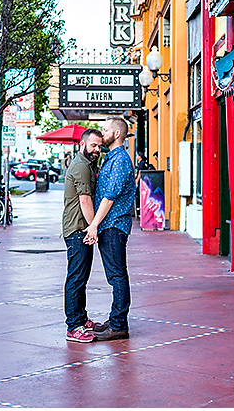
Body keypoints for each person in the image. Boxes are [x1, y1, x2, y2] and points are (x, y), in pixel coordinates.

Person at [84, 116, 137, 341]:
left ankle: (118, 325)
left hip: (114, 226)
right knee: (114, 275)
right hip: (110, 225)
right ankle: (115, 318)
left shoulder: (120, 160)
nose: (101, 134)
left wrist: (94, 225)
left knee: (117, 276)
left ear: (116, 134)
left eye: (105, 130)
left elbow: (109, 197)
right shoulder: (111, 158)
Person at [62, 128, 104, 343]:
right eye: (93, 145)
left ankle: (81, 318)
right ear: (83, 144)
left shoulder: (88, 164)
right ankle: (73, 326)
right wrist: (92, 227)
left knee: (81, 277)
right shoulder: (80, 166)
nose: (97, 149)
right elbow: (85, 199)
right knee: (76, 277)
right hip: (78, 229)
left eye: (99, 145)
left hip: (81, 228)